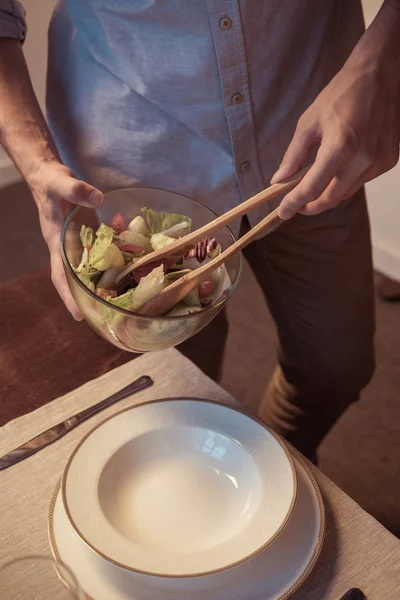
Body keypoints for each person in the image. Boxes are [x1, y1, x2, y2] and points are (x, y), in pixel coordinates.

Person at [0, 1, 399, 459]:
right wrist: (35, 163)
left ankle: (283, 457)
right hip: (137, 169)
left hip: (308, 141)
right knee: (181, 386)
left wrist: (382, 59)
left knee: (338, 366)